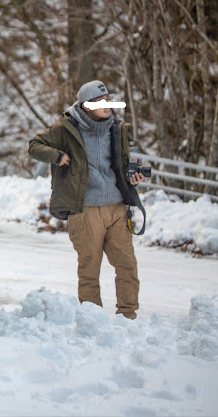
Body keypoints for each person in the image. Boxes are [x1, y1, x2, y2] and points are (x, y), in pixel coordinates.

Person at [29, 80, 145, 319]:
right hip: (85, 210)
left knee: (127, 266)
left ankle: (128, 316)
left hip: (116, 207)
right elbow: (34, 146)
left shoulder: (117, 129)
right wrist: (57, 155)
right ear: (86, 105)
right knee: (90, 270)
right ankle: (94, 320)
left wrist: (132, 178)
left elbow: (120, 164)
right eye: (101, 101)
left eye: (108, 100)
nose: (107, 105)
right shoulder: (66, 128)